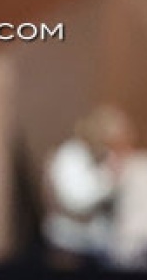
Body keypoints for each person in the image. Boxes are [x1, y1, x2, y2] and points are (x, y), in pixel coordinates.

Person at [42, 104, 134, 269]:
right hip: (69, 245)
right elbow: (76, 201)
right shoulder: (71, 155)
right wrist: (108, 178)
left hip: (97, 247)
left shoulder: (103, 159)